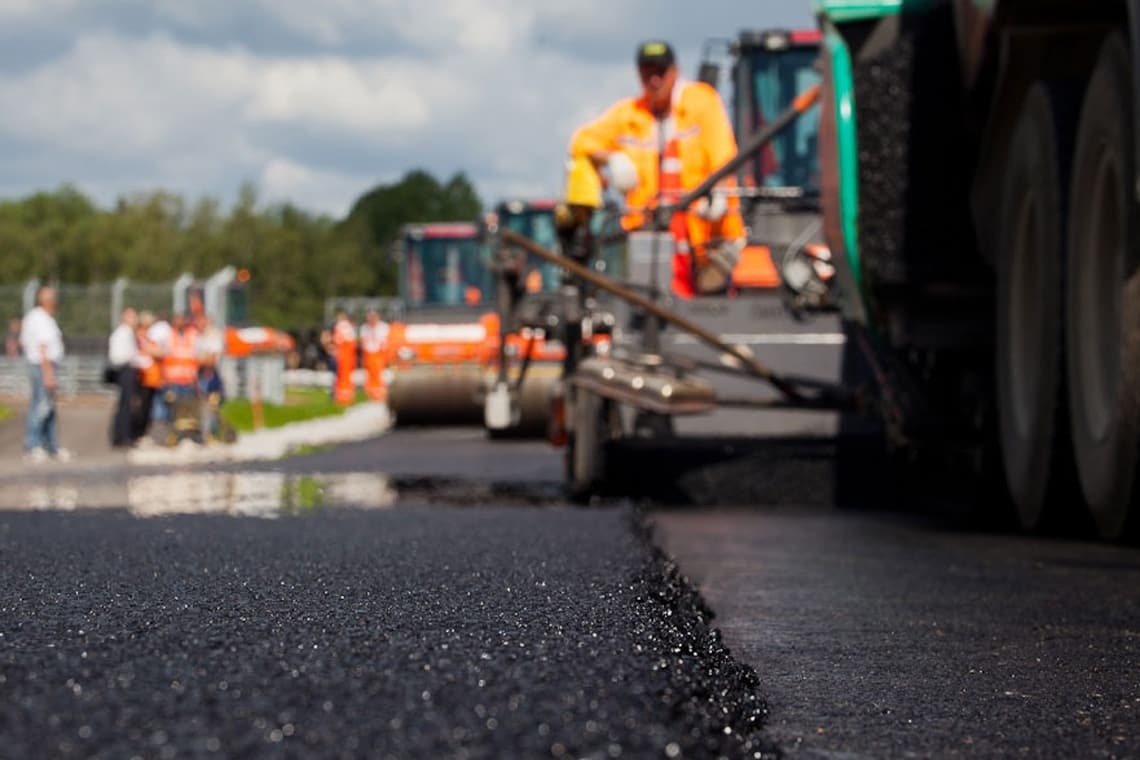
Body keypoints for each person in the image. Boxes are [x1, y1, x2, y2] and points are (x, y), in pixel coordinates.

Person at [567, 40, 746, 297]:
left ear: (675, 70)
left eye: (660, 71)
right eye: (647, 72)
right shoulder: (629, 114)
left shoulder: (702, 102)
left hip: (706, 240)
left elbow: (722, 154)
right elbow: (581, 142)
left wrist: (718, 192)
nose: (654, 80)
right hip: (649, 243)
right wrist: (611, 159)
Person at [19, 286, 70, 463]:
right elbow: (43, 348)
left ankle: (51, 446)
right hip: (42, 366)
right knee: (41, 407)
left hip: (42, 365)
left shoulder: (39, 317)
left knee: (47, 407)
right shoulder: (40, 319)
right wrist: (48, 374)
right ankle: (33, 445)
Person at [107, 307, 139, 448]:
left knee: (124, 405)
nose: (135, 320)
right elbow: (117, 356)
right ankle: (122, 436)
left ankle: (122, 435)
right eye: (132, 317)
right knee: (125, 405)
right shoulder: (123, 333)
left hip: (126, 369)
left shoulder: (127, 333)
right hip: (124, 370)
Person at [133, 311, 163, 442]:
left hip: (152, 378)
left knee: (148, 408)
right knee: (141, 408)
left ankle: (143, 433)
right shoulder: (139, 337)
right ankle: (138, 434)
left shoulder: (149, 338)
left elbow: (160, 352)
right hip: (143, 378)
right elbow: (154, 351)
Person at [359, 309, 389, 402]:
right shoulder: (364, 328)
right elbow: (363, 341)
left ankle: (380, 394)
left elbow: (385, 342)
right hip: (368, 355)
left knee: (379, 374)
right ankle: (370, 394)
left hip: (379, 354)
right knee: (369, 376)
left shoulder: (383, 327)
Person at [332, 311, 357, 405]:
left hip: (344, 355)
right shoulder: (348, 327)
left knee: (343, 376)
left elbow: (338, 340)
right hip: (347, 356)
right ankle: (346, 396)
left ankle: (343, 397)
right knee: (345, 376)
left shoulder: (342, 326)